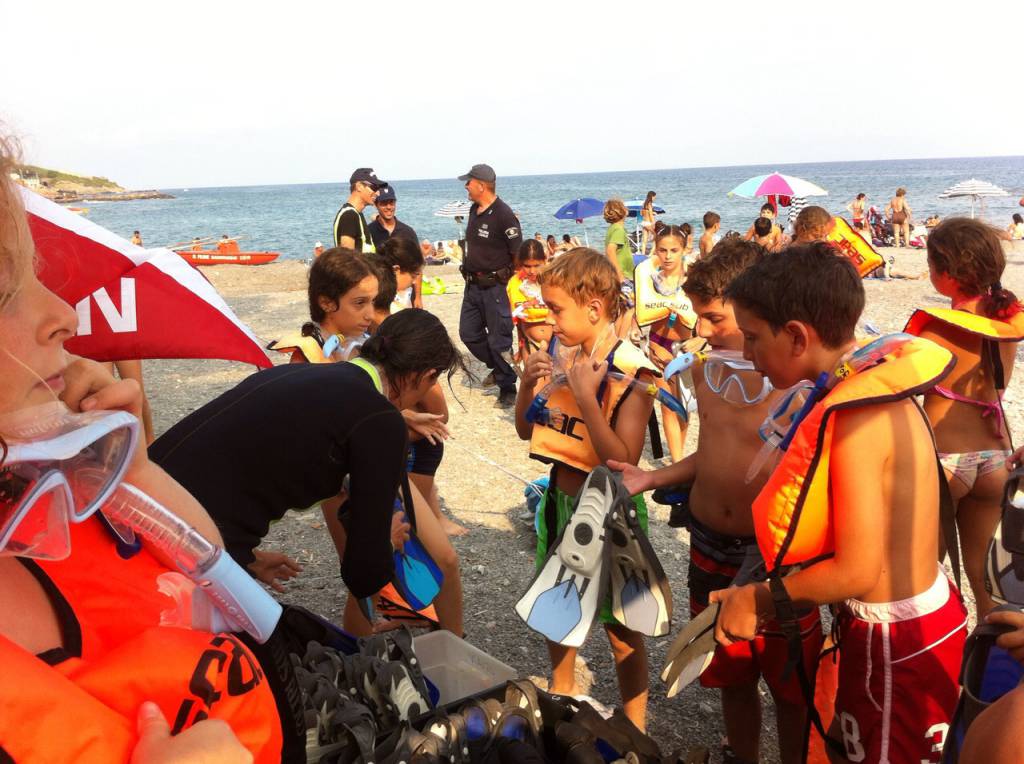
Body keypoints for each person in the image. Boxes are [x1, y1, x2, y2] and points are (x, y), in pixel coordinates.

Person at [0, 132, 284, 761]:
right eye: (2, 292)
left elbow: (220, 582)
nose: (63, 315)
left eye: (35, 275)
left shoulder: (41, 492)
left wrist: (131, 471)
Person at [713, 243, 967, 764]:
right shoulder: (880, 387)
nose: (750, 354)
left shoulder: (855, 417)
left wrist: (760, 598)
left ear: (798, 336)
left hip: (895, 642)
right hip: (926, 618)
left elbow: (857, 569)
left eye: (755, 338)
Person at [614, 238, 818, 764]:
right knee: (727, 664)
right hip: (709, 538)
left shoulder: (792, 378)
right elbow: (711, 455)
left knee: (791, 679)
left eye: (713, 319)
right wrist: (650, 478)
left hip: (772, 550)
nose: (700, 331)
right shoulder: (704, 370)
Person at [152, 309, 465, 635]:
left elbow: (222, 467)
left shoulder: (309, 376)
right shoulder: (379, 419)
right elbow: (363, 575)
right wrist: (384, 543)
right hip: (176, 541)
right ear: (426, 376)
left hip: (137, 497)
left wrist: (248, 558)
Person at [514, 247, 658, 730]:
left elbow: (625, 459)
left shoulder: (631, 368)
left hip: (610, 511)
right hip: (560, 499)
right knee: (558, 605)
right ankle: (563, 690)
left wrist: (585, 398)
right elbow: (524, 430)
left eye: (556, 310)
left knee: (622, 626)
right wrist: (525, 387)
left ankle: (635, 726)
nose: (549, 321)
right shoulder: (563, 357)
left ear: (593, 308)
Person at [903, 218, 1024, 617]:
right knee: (985, 579)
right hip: (995, 460)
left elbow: (908, 388)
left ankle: (940, 661)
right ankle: (992, 667)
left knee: (925, 579)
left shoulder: (933, 331)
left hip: (944, 464)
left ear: (947, 275)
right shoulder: (1006, 323)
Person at [457, 163, 522, 408]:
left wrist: (513, 285)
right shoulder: (474, 210)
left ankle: (508, 386)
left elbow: (518, 254)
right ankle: (499, 367)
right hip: (472, 286)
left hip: (496, 288)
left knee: (499, 340)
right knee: (468, 334)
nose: (466, 186)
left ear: (481, 185)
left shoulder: (504, 214)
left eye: (469, 182)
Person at [631, 225, 698, 461]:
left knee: (686, 407)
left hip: (687, 347)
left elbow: (708, 313)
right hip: (659, 344)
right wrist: (649, 344)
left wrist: (700, 340)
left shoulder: (694, 277)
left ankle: (679, 456)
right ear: (655, 250)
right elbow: (639, 312)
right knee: (668, 405)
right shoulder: (649, 278)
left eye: (673, 250)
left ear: (683, 250)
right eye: (662, 250)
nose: (668, 256)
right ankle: (677, 461)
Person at [367, 185, 422, 308]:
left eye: (391, 203)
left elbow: (417, 266)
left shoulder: (408, 231)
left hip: (407, 294)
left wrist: (418, 296)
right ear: (376, 205)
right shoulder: (369, 232)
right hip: (380, 294)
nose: (389, 207)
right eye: (384, 203)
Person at [507, 238, 553, 363]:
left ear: (544, 260)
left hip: (557, 344)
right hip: (529, 343)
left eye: (537, 265)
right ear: (520, 263)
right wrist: (520, 349)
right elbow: (518, 323)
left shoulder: (554, 281)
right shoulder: (515, 284)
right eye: (527, 266)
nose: (532, 271)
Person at [333, 167, 386, 253]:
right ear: (359, 186)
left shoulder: (356, 214)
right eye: (374, 187)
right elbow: (347, 260)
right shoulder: (349, 215)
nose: (378, 193)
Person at [603, 198, 633, 283]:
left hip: (616, 274)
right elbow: (610, 250)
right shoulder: (619, 230)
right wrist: (619, 275)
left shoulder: (613, 228)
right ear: (623, 211)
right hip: (622, 275)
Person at [640, 190, 657, 255]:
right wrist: (653, 223)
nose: (654, 198)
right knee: (656, 236)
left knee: (644, 240)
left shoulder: (644, 204)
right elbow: (650, 214)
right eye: (654, 197)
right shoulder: (650, 204)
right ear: (652, 196)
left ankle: (643, 254)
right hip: (649, 223)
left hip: (644, 223)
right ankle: (651, 253)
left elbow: (642, 213)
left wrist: (653, 212)